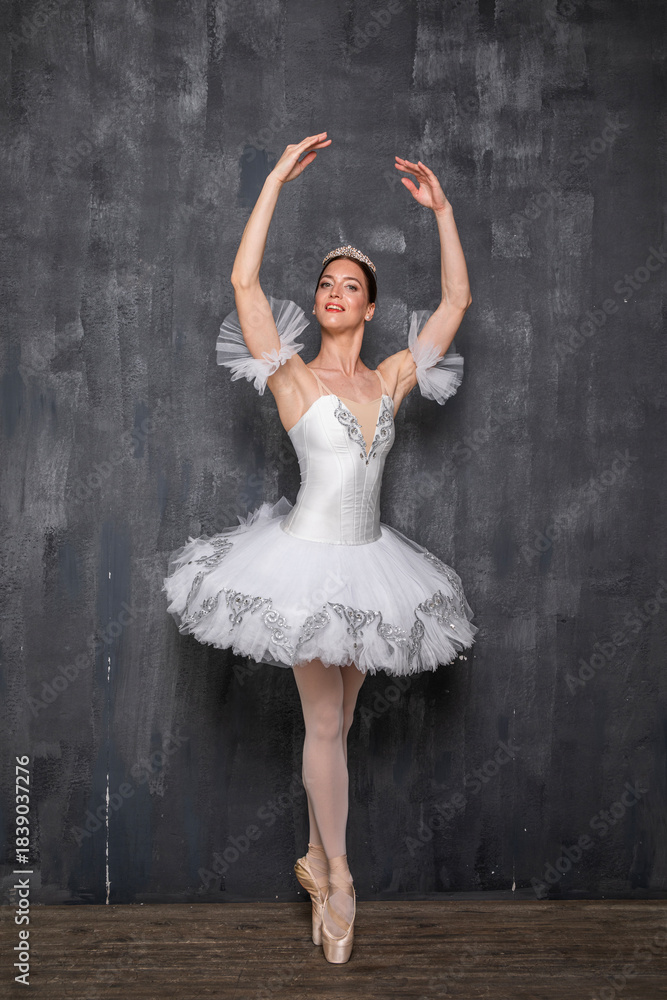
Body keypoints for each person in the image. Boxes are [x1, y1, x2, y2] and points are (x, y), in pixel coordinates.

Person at [162, 131, 478, 964]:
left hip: (371, 567)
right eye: (326, 285)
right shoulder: (292, 377)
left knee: (336, 727)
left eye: (351, 287)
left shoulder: (391, 377)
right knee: (327, 721)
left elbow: (455, 302)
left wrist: (443, 211)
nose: (334, 294)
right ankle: (339, 879)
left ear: (369, 309)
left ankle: (311, 856)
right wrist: (273, 179)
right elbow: (243, 284)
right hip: (302, 565)